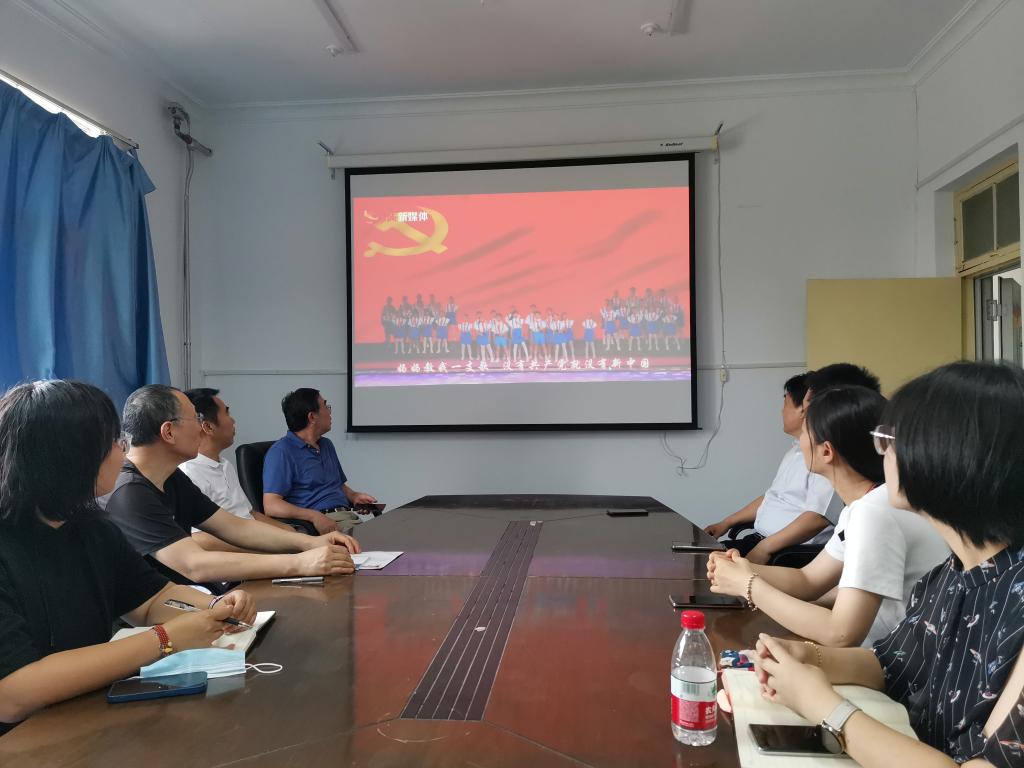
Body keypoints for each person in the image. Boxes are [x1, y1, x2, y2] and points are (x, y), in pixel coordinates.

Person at [750, 362, 1024, 767]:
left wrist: (822, 705)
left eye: (890, 439)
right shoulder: (953, 573)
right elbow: (892, 662)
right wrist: (807, 658)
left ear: (947, 454)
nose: (882, 452)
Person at [0, 380, 256, 735]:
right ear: (69, 456)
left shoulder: (92, 528)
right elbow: (13, 693)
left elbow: (151, 599)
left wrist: (213, 606)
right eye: (112, 443)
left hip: (83, 719)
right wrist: (164, 639)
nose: (122, 453)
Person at [708, 386, 949, 647]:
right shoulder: (864, 505)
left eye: (804, 433)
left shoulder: (873, 512)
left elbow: (840, 634)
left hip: (885, 658)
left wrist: (748, 584)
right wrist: (741, 569)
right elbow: (808, 580)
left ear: (826, 451)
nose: (800, 442)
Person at [103, 385, 359, 589]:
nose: (201, 429)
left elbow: (236, 526)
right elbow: (194, 564)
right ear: (168, 432)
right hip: (157, 613)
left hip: (187, 596)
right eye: (195, 419)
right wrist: (299, 562)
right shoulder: (130, 492)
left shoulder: (171, 478)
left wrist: (309, 543)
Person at [703, 373, 842, 564]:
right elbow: (772, 496)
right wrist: (727, 522)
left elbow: (817, 517)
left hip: (787, 553)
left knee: (703, 565)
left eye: (785, 404)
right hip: (761, 542)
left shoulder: (825, 457)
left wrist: (764, 549)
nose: (781, 411)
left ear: (804, 410)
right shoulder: (795, 451)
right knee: (696, 556)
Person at [263, 388, 378, 536]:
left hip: (347, 517)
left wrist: (354, 496)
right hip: (319, 526)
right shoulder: (281, 452)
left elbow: (338, 485)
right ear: (312, 417)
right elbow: (271, 505)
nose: (330, 412)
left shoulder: (326, 445)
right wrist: (314, 516)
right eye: (325, 406)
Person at [179, 388, 293, 533]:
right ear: (208, 427)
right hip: (241, 545)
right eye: (227, 413)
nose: (233, 420)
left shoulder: (225, 465)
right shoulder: (189, 473)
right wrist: (267, 540)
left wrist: (289, 532)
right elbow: (200, 538)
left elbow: (248, 514)